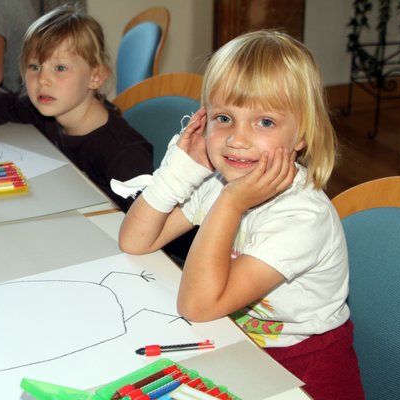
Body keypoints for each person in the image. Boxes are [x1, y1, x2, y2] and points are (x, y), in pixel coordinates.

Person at [117, 31, 364, 399]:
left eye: (264, 122)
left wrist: (230, 204)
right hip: (238, 346)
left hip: (306, 371)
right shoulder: (222, 182)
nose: (237, 139)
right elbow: (136, 241)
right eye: (224, 118)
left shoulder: (302, 217)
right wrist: (178, 173)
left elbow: (198, 306)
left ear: (301, 136)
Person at [0, 4, 153, 212]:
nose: (43, 80)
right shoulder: (47, 110)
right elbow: (4, 104)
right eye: (34, 66)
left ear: (96, 76)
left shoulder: (124, 155)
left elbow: (150, 228)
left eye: (60, 68)